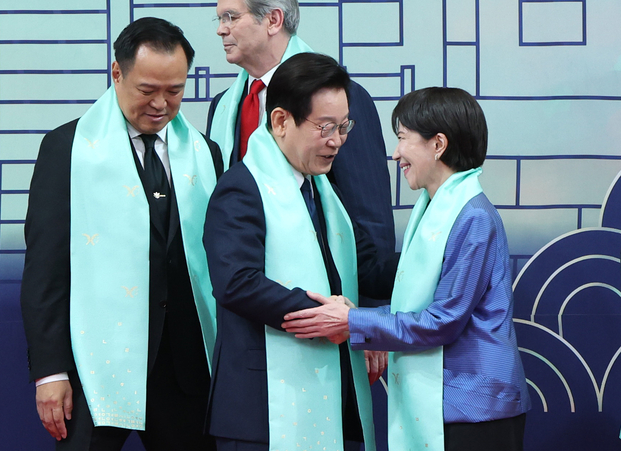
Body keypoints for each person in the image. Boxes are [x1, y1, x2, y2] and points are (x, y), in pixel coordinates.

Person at [282, 87, 531, 451]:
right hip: (454, 405)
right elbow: (422, 310)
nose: (396, 153)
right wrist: (356, 315)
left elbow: (442, 321)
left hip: (476, 408)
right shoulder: (436, 208)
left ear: (438, 144)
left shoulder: (473, 217)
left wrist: (353, 321)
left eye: (402, 139)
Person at [20, 17, 221, 450]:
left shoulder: (206, 154)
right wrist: (50, 372)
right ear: (117, 73)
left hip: (184, 372)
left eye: (175, 91)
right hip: (94, 368)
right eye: (147, 90)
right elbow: (44, 270)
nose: (161, 104)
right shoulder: (67, 149)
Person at [203, 53, 398, 451]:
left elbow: (367, 267)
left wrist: (434, 254)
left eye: (344, 127)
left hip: (329, 391)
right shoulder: (241, 188)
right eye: (325, 127)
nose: (337, 141)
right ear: (280, 121)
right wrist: (323, 314)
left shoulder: (324, 191)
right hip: (260, 408)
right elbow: (236, 282)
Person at [206, 0, 395, 262]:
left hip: (323, 278)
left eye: (231, 17)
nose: (221, 30)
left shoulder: (340, 97)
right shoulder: (222, 105)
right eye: (219, 19)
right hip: (243, 273)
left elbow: (369, 217)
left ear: (273, 20)